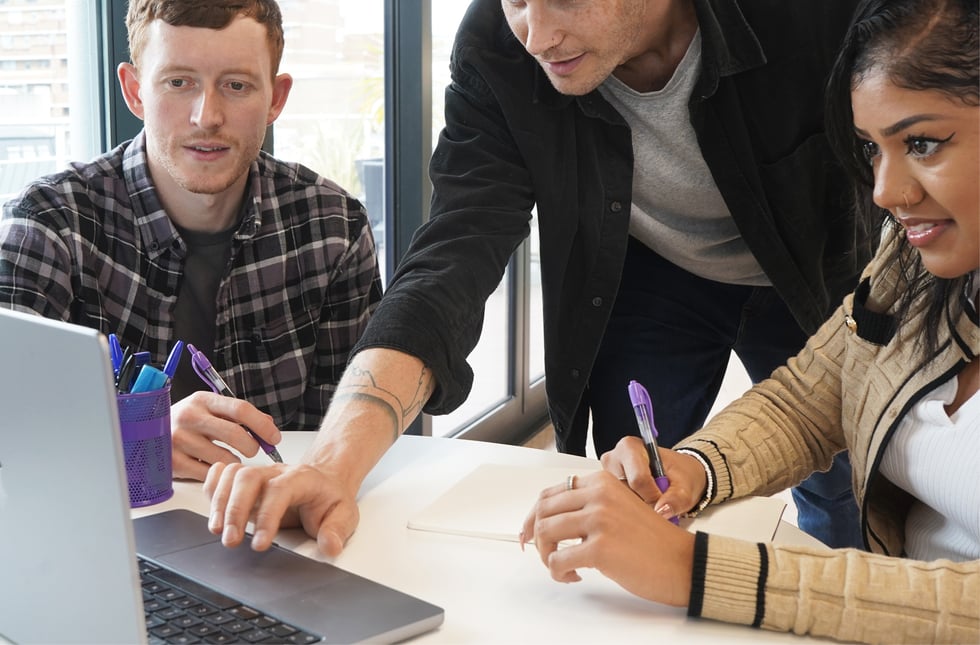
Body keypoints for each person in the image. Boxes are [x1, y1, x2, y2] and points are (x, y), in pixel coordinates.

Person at [204, 0, 867, 555]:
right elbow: (450, 256)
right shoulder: (498, 48)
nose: (539, 35)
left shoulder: (812, 14)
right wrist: (332, 464)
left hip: (815, 266)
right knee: (631, 484)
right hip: (657, 270)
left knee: (845, 478)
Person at [521, 0, 979, 641]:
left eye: (923, 144)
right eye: (871, 150)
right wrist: (695, 468)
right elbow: (810, 396)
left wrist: (696, 569)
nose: (884, 193)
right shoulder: (912, 265)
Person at [0, 0, 382, 482]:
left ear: (275, 100)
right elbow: (8, 428)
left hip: (276, 527)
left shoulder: (334, 227)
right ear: (135, 91)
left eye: (236, 85)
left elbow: (348, 437)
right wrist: (135, 435)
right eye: (179, 82)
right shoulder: (49, 224)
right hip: (107, 529)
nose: (207, 117)